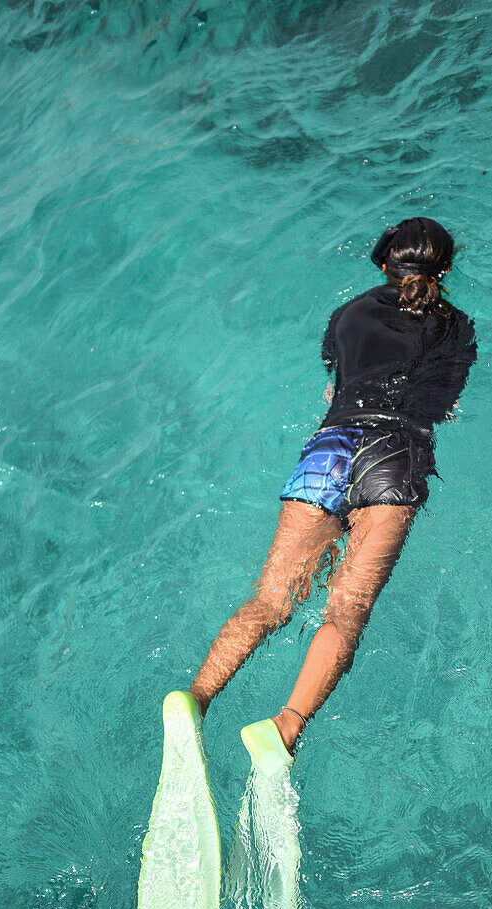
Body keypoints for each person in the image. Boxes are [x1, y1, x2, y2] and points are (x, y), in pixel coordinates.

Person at [188, 216, 477, 760]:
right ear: (445, 269)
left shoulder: (346, 314)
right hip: (395, 453)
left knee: (270, 599)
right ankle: (286, 727)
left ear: (381, 261)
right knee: (345, 611)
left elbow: (335, 384)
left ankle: (197, 699)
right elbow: (440, 404)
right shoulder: (456, 326)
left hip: (329, 448)